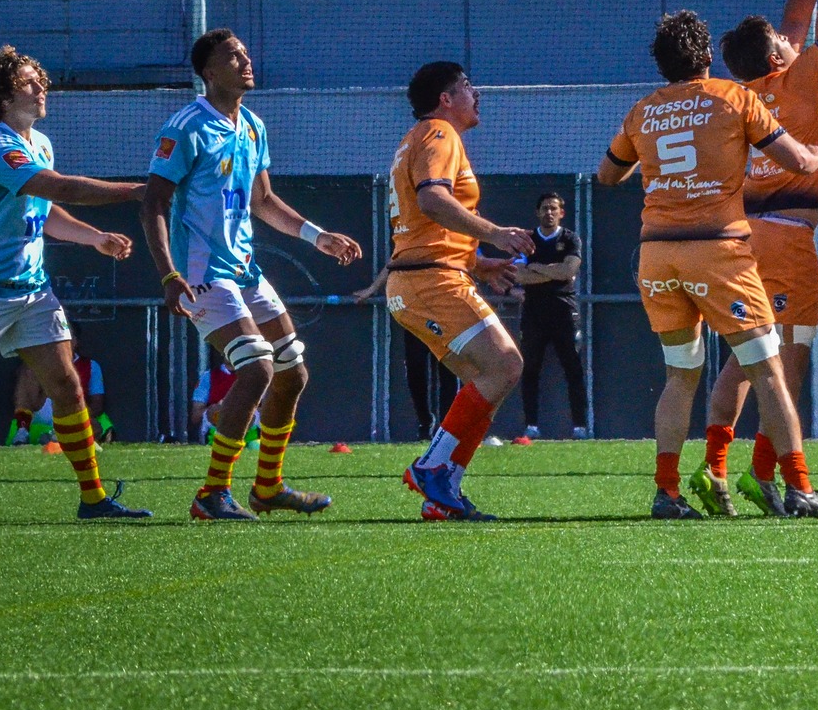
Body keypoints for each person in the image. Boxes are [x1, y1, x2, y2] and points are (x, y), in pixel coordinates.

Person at [598, 11, 818, 519]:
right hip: (718, 250)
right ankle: (799, 488)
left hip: (657, 252)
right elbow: (796, 160)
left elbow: (607, 175)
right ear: (708, 58)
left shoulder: (642, 112)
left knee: (680, 374)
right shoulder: (734, 97)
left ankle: (667, 492)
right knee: (770, 371)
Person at [0, 45, 147, 518]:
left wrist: (95, 238)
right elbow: (58, 187)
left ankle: (94, 499)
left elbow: (45, 209)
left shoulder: (39, 142)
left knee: (66, 385)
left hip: (31, 291)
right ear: (2, 97)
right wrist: (141, 191)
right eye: (28, 81)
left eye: (40, 79)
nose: (41, 87)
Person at [144, 29, 363, 521]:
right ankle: (212, 492)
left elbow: (263, 201)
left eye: (245, 53)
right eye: (232, 56)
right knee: (258, 367)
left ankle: (268, 487)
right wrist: (168, 274)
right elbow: (153, 204)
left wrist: (317, 236)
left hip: (245, 271)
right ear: (208, 72)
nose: (246, 61)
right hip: (202, 274)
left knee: (293, 374)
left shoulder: (253, 126)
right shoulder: (185, 127)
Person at [690, 0, 818, 518]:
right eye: (786, 44)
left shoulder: (741, 95)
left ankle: (718, 469)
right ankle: (783, 480)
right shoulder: (801, 77)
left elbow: (796, 14)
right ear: (776, 59)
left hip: (742, 239)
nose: (796, 41)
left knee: (744, 358)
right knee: (786, 363)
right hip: (789, 238)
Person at [387, 62, 536, 520]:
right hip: (430, 281)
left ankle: (443, 491)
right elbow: (432, 199)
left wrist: (480, 264)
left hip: (421, 280)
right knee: (507, 364)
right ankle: (432, 467)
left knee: (488, 378)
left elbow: (425, 221)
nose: (477, 93)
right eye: (468, 86)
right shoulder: (439, 133)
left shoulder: (422, 138)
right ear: (446, 99)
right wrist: (493, 233)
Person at [351, 267, 462, 441]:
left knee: (449, 367)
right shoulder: (413, 244)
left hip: (446, 306)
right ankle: (425, 421)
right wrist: (374, 288)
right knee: (415, 366)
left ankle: (448, 428)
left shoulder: (455, 244)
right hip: (417, 309)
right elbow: (396, 259)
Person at [513, 192, 589, 442]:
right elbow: (519, 275)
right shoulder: (527, 239)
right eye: (545, 208)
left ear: (561, 213)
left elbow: (569, 270)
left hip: (564, 311)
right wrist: (553, 273)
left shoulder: (570, 239)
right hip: (533, 313)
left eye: (554, 208)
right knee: (530, 368)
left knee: (573, 368)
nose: (549, 212)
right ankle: (531, 426)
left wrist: (537, 268)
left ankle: (580, 426)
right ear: (538, 212)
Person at [11, 351, 110, 445]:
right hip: (41, 410)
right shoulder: (37, 362)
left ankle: (56, 436)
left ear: (75, 342)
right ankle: (22, 432)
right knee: (28, 368)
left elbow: (97, 404)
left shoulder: (91, 365)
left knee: (96, 426)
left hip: (72, 413)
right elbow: (24, 396)